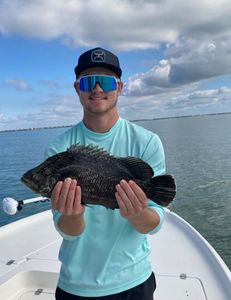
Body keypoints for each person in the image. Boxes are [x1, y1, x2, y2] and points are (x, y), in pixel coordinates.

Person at [45, 47, 166, 300]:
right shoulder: (58, 149)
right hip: (76, 285)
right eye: (89, 81)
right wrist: (73, 215)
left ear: (119, 87)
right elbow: (67, 231)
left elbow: (154, 223)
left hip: (134, 281)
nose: (97, 88)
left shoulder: (146, 142)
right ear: (77, 89)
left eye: (106, 81)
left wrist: (138, 213)